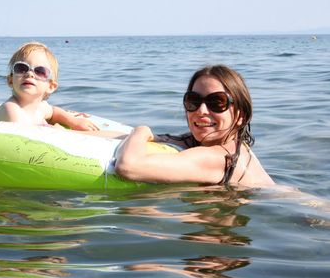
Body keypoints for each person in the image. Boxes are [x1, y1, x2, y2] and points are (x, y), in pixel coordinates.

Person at [114, 64, 275, 188]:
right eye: (193, 101)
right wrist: (89, 128)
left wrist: (141, 130)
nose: (201, 110)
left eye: (217, 102)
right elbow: (151, 139)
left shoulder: (219, 158)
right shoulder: (229, 146)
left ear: (241, 116)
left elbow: (128, 166)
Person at [0, 41, 99, 131]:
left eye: (40, 71)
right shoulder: (11, 109)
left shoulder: (40, 108)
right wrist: (57, 130)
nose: (29, 74)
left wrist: (73, 122)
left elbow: (53, 111)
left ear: (50, 86)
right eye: (21, 68)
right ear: (10, 80)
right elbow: (28, 142)